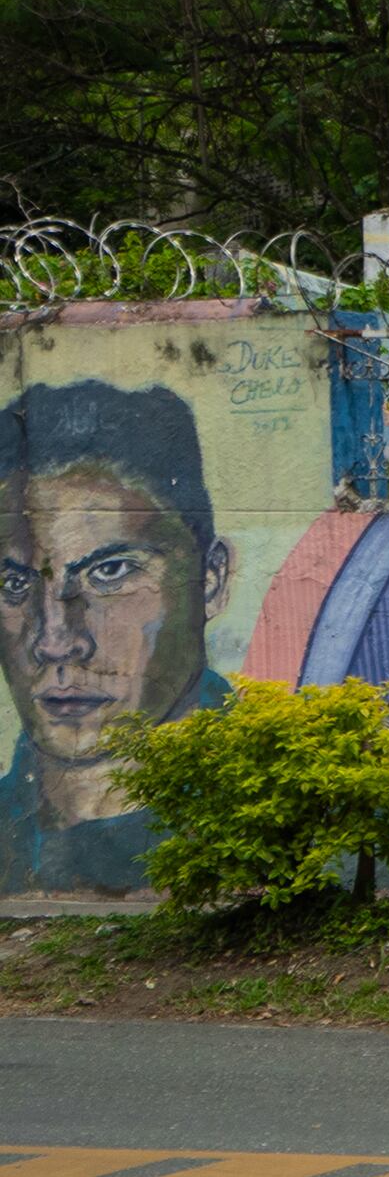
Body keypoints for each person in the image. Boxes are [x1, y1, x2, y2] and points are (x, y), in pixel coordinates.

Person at [2, 380, 237, 894]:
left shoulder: (291, 811)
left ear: (211, 580)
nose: (57, 642)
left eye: (110, 572)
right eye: (14, 584)